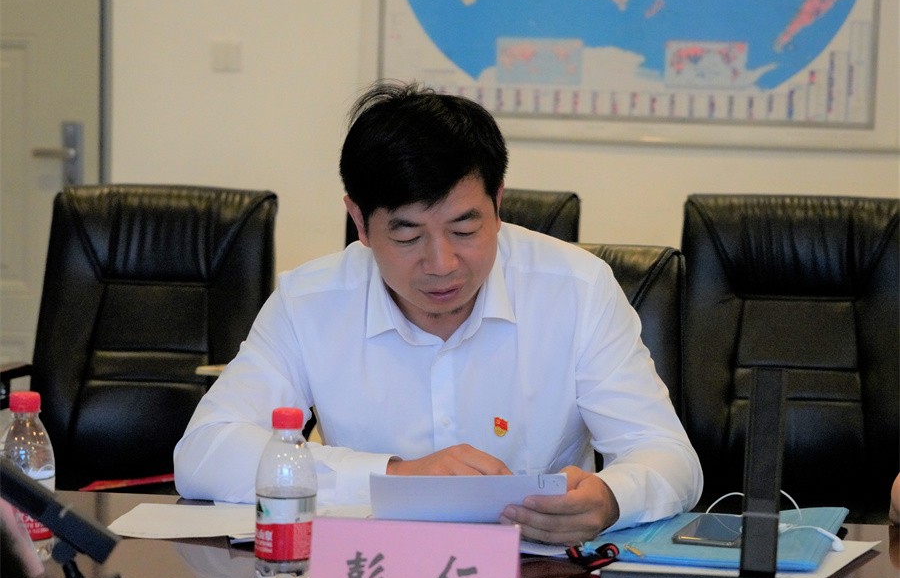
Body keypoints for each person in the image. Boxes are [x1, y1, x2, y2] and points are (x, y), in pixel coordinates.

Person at [174, 81, 703, 545]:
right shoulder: (310, 301)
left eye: (464, 229)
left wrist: (611, 498)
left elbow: (668, 456)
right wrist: (396, 477)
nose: (442, 263)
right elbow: (204, 452)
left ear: (498, 203)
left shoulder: (577, 289)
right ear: (359, 220)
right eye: (407, 235)